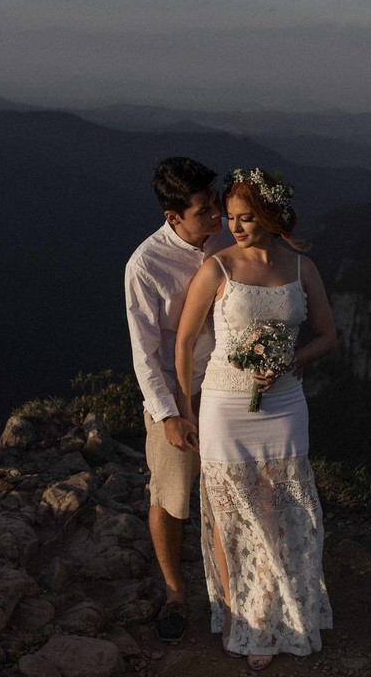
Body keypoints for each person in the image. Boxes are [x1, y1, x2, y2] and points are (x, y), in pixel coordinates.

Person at [174, 167, 335, 671]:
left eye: (246, 219)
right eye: (231, 218)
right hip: (224, 407)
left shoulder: (302, 267)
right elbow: (183, 343)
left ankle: (285, 616)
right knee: (232, 518)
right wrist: (185, 408)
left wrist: (289, 361)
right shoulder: (216, 269)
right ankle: (244, 621)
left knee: (284, 514)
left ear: (269, 216)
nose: (235, 227)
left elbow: (328, 337)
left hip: (285, 405)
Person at [124, 156, 226, 642]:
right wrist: (166, 414)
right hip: (176, 392)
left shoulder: (227, 240)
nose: (217, 217)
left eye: (217, 204)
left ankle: (232, 589)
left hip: (227, 390)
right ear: (173, 217)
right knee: (170, 493)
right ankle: (174, 592)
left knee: (229, 490)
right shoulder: (145, 265)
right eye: (205, 210)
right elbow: (144, 353)